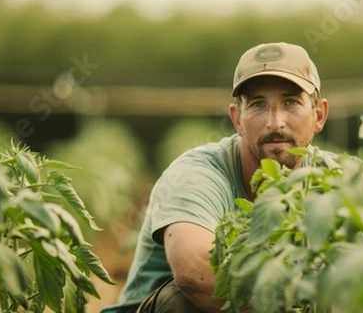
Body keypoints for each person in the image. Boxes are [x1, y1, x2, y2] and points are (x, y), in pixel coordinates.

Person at [101, 42, 330, 313]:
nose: (275, 121)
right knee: (182, 301)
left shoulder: (337, 178)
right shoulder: (198, 173)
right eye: (258, 104)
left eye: (290, 102)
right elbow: (195, 271)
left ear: (319, 115)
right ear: (237, 119)